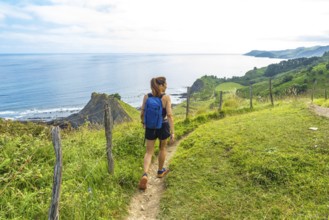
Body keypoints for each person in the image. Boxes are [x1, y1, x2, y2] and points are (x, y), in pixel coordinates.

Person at [139, 76, 175, 190]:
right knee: (162, 148)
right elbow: (169, 115)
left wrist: (143, 122)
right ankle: (160, 171)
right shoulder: (166, 98)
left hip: (150, 127)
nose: (166, 85)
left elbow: (142, 112)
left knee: (149, 152)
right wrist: (172, 132)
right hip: (163, 125)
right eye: (165, 83)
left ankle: (145, 174)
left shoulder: (146, 97)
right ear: (161, 85)